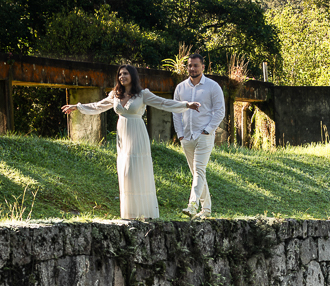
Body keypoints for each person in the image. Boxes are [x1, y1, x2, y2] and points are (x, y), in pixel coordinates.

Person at [62, 64, 199, 220]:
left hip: (137, 133)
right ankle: (130, 213)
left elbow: (163, 103)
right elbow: (98, 106)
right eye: (120, 74)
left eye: (125, 74)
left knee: (137, 170)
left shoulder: (142, 94)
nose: (122, 77)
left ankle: (145, 212)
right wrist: (77, 107)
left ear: (132, 76)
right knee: (126, 172)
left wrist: (186, 105)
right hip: (122, 134)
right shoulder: (115, 94)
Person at [173, 54, 225, 218]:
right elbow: (176, 112)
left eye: (196, 65)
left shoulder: (212, 86)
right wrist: (180, 134)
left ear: (203, 67)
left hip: (204, 135)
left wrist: (208, 130)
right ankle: (207, 210)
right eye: (189, 65)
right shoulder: (180, 88)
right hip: (186, 137)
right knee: (197, 173)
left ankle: (192, 206)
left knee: (199, 170)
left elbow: (220, 111)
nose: (192, 69)